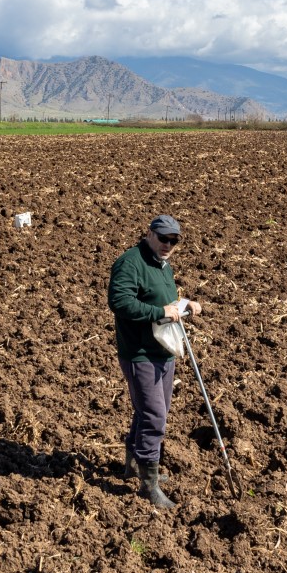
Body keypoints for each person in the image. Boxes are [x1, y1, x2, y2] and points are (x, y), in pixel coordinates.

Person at [107, 214, 202, 509]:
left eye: (174, 241)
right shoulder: (131, 262)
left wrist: (184, 305)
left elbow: (164, 299)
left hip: (162, 351)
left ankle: (134, 466)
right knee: (154, 417)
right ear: (149, 234)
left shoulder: (162, 264)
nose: (168, 245)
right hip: (140, 353)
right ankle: (149, 486)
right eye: (163, 238)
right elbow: (120, 301)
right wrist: (159, 312)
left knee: (148, 412)